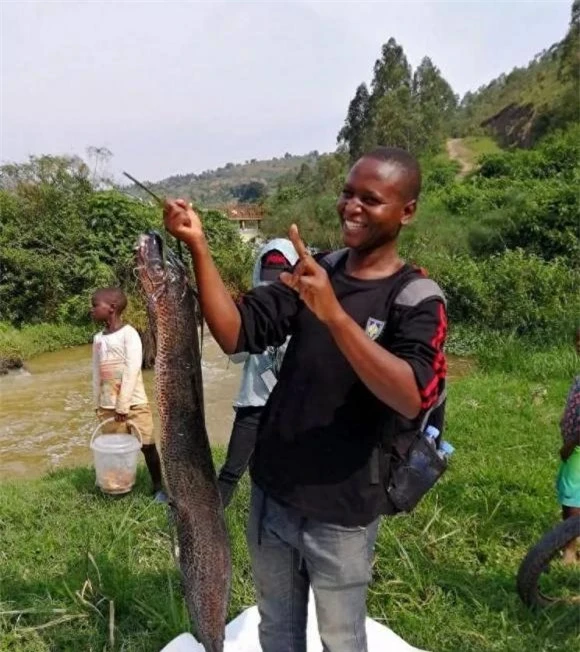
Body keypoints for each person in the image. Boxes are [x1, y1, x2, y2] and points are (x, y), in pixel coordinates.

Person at [164, 146, 447, 652]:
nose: (351, 207)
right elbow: (235, 333)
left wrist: (335, 315)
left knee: (340, 638)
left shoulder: (416, 299)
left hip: (342, 508)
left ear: (407, 211)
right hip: (272, 493)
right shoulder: (317, 272)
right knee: (277, 630)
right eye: (347, 193)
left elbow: (410, 396)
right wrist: (199, 246)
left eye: (371, 198)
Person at [218, 238, 299, 508]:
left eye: (282, 272)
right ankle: (211, 519)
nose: (273, 280)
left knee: (288, 469)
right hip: (252, 403)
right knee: (232, 469)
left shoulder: (304, 309)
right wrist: (245, 324)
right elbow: (237, 355)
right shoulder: (251, 309)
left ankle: (275, 515)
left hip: (290, 406)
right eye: (268, 272)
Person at [90, 287, 165, 502]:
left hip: (134, 404)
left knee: (148, 446)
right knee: (115, 449)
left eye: (96, 306)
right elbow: (96, 373)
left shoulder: (129, 334)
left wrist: (123, 406)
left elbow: (133, 370)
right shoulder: (98, 339)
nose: (92, 310)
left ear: (112, 308)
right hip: (107, 406)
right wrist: (97, 402)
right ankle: (117, 485)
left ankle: (159, 486)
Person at [556, 327, 580, 564]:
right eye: (578, 339)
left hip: (577, 448)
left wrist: (571, 445)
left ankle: (569, 551)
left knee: (572, 499)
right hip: (574, 444)